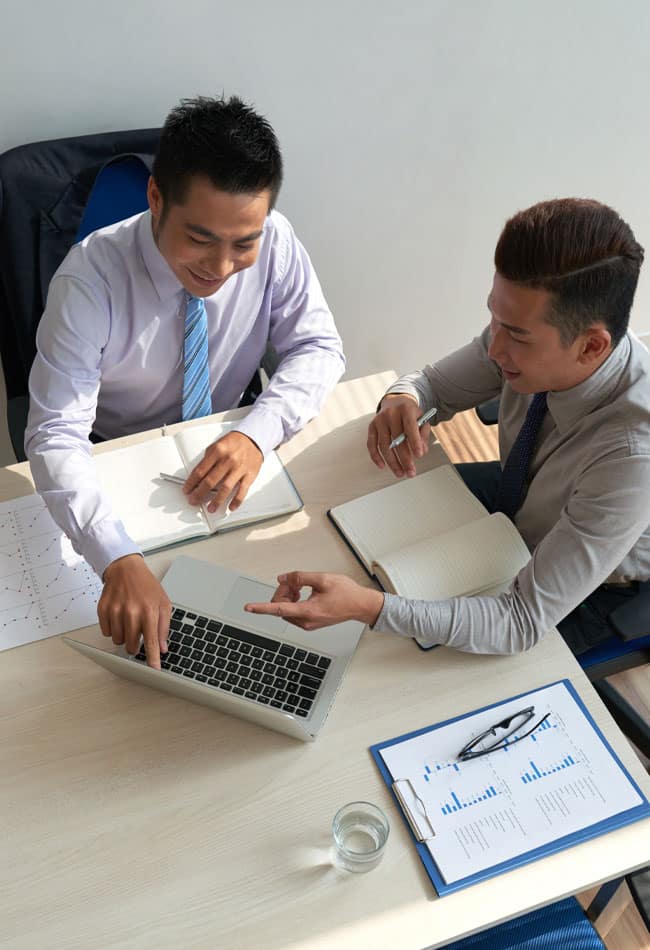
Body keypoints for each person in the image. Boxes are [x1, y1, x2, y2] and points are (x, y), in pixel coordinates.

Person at [246, 198, 650, 656]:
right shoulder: (523, 338)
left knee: (387, 663)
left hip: (588, 590)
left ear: (592, 347)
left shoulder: (632, 458)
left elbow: (519, 621)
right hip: (512, 503)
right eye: (495, 318)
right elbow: (432, 386)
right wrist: (404, 398)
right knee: (335, 521)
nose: (494, 347)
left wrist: (374, 609)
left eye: (516, 334)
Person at [26, 95, 345, 669]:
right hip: (116, 469)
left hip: (228, 453)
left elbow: (319, 347)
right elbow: (54, 435)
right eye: (200, 239)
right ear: (155, 198)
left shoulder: (275, 237)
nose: (220, 268)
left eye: (242, 243)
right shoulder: (88, 279)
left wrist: (257, 432)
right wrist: (116, 558)